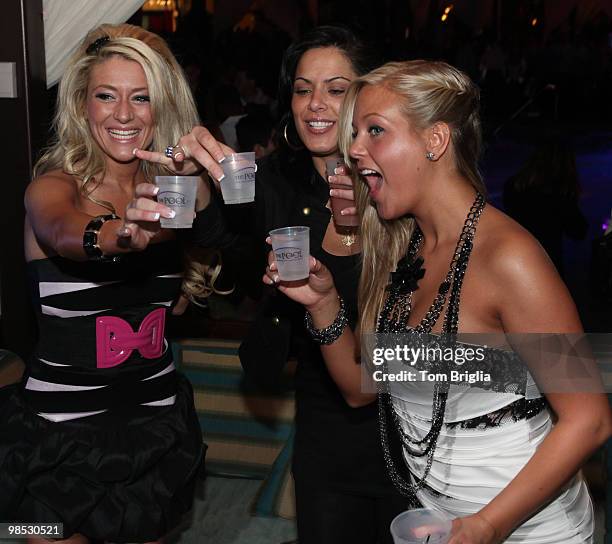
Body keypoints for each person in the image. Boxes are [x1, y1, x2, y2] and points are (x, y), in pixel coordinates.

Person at [262, 60, 612, 542]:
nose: (354, 149)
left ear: (436, 140)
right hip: (437, 523)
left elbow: (589, 419)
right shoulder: (402, 251)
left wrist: (488, 525)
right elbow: (361, 388)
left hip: (529, 530)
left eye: (374, 130)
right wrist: (320, 304)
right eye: (355, 133)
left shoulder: (510, 259)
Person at [131, 25, 408, 544]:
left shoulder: (400, 186)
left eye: (336, 88)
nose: (315, 104)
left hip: (407, 418)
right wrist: (196, 182)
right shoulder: (271, 180)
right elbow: (222, 232)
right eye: (303, 89)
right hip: (325, 412)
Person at [0, 24, 205, 543]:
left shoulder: (173, 189)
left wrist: (203, 184)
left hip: (155, 432)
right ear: (82, 104)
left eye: (141, 98)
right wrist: (119, 234)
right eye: (105, 96)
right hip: (54, 441)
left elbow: (217, 213)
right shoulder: (53, 184)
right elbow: (60, 230)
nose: (122, 114)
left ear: (161, 107)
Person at [503, 140, 588, 276]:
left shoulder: (514, 185)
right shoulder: (560, 194)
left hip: (515, 257)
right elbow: (578, 231)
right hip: (546, 261)